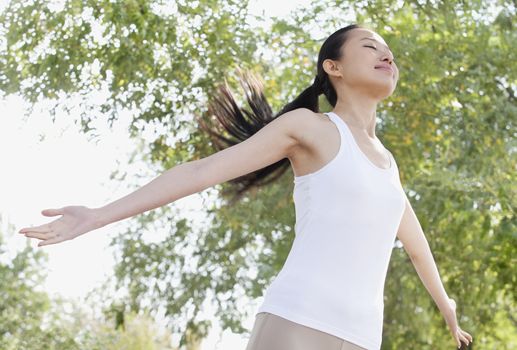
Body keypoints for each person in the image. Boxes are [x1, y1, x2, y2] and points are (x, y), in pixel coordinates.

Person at [18, 23, 473, 350]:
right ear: (332, 66)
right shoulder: (309, 128)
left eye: (390, 51)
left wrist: (447, 308)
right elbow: (201, 172)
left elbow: (415, 247)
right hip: (297, 323)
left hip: (362, 336)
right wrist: (97, 215)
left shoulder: (387, 164)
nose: (387, 55)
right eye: (371, 46)